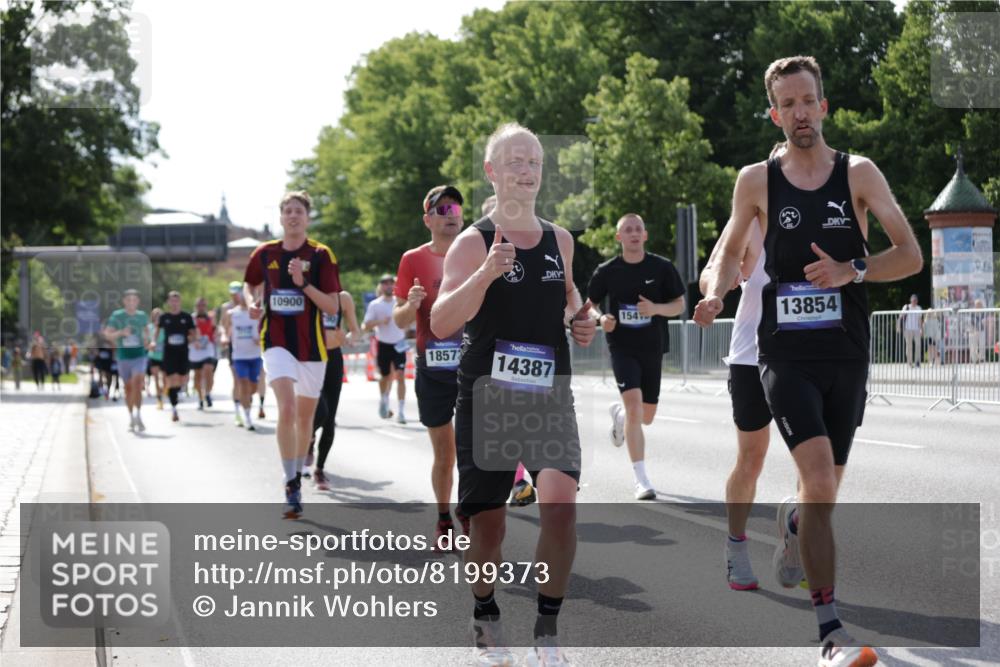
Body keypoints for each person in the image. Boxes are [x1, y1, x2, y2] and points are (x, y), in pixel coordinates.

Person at [694, 56, 922, 667]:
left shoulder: (860, 174)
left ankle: (795, 523)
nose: (799, 111)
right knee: (818, 479)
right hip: (783, 355)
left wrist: (856, 269)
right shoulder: (756, 181)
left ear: (824, 106)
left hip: (845, 355)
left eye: (808, 100)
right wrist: (715, 291)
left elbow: (911, 254)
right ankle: (830, 632)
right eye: (787, 103)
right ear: (775, 113)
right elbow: (728, 248)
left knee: (824, 494)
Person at [431, 122, 598, 666]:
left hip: (549, 394)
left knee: (561, 506)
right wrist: (483, 276)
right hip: (489, 400)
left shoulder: (561, 240)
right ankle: (484, 608)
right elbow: (439, 322)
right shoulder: (473, 241)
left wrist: (581, 321)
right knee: (489, 527)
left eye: (534, 162)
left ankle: (547, 631)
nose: (527, 171)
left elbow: (572, 301)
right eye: (515, 163)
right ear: (492, 172)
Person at [243, 190, 341, 519]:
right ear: (281, 217)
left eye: (299, 211)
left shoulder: (321, 254)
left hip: (312, 346)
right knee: (285, 408)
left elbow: (332, 304)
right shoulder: (264, 253)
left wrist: (302, 284)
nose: (293, 216)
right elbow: (250, 284)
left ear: (307, 217)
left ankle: (297, 472)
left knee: (305, 419)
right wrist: (252, 302)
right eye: (288, 211)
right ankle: (290, 483)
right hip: (276, 341)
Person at [587, 213, 686, 500]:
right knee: (634, 408)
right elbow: (589, 304)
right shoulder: (607, 271)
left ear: (644, 236)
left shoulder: (662, 267)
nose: (633, 233)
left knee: (647, 416)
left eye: (637, 229)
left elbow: (679, 304)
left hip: (652, 347)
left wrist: (655, 308)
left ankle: (619, 416)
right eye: (627, 230)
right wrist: (600, 318)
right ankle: (641, 479)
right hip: (621, 347)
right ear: (619, 237)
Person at [394, 184, 471, 549]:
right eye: (441, 210)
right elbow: (398, 320)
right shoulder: (413, 259)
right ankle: (444, 517)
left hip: (473, 363)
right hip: (434, 365)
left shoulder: (476, 252)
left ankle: (470, 511)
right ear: (427, 220)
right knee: (446, 452)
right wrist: (411, 305)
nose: (450, 215)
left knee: (477, 446)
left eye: (454, 208)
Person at [701, 215, 776, 591]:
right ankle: (736, 543)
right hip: (751, 357)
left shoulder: (821, 210)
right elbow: (710, 272)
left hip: (806, 356)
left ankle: (800, 530)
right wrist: (716, 292)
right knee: (752, 458)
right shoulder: (748, 220)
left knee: (817, 458)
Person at [483, 193, 537, 508]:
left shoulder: (532, 252)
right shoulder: (472, 253)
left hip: (524, 356)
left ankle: (537, 477)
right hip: (481, 358)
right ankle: (515, 482)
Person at [308, 290, 361, 489]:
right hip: (311, 358)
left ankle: (319, 470)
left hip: (333, 359)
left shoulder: (343, 298)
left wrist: (347, 338)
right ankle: (308, 438)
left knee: (330, 419)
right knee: (320, 411)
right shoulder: (308, 292)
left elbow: (355, 331)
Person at [363, 274, 408, 423]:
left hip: (399, 343)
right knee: (385, 376)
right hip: (383, 344)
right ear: (381, 286)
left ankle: (401, 412)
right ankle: (384, 400)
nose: (389, 286)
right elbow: (365, 326)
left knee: (400, 375)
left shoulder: (400, 302)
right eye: (385, 283)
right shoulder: (375, 304)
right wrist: (380, 321)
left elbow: (410, 318)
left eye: (391, 283)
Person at [104, 289, 151, 431]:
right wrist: (121, 333)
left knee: (137, 384)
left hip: (139, 355)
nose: (131, 302)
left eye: (134, 300)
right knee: (128, 388)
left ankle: (138, 414)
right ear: (124, 301)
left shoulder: (142, 316)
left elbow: (147, 333)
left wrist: (147, 339)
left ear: (138, 302)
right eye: (128, 300)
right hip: (123, 357)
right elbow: (107, 335)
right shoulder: (117, 316)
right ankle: (131, 416)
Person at [156, 291, 197, 423]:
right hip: (169, 353)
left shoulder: (186, 317)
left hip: (183, 352)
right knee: (172, 379)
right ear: (168, 302)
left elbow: (193, 333)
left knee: (182, 378)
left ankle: (178, 392)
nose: (174, 303)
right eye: (172, 301)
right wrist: (153, 342)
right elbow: (157, 332)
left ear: (180, 302)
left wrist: (193, 340)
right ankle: (174, 408)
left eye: (176, 301)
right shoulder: (164, 317)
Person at [225, 294, 263, 431]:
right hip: (239, 356)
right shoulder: (232, 313)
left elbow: (265, 330)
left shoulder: (258, 313)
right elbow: (225, 329)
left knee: (253, 387)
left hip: (255, 355)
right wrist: (224, 337)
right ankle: (247, 417)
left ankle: (246, 400)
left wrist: (260, 340)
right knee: (243, 383)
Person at [218, 281, 246, 425]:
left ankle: (246, 405)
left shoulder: (249, 305)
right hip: (233, 346)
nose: (235, 295)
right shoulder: (226, 308)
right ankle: (238, 412)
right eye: (233, 293)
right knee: (237, 379)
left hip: (249, 348)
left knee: (248, 382)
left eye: (238, 292)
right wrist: (224, 336)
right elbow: (222, 326)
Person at [189, 297, 218, 409]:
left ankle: (208, 393)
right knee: (197, 376)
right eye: (199, 305)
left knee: (208, 369)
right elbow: (188, 332)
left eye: (203, 305)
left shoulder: (210, 318)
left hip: (208, 348)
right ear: (196, 306)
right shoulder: (191, 318)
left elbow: (215, 331)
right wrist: (194, 340)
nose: (201, 308)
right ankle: (200, 398)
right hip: (195, 350)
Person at [146, 308, 165, 408]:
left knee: (165, 380)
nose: (157, 316)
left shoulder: (165, 327)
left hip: (164, 357)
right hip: (153, 356)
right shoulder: (149, 327)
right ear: (152, 316)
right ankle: (159, 399)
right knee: (156, 378)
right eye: (155, 314)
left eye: (159, 314)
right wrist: (150, 345)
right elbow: (146, 341)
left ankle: (162, 392)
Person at [899, 294, 922, 367]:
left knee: (918, 345)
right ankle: (909, 362)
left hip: (916, 329)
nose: (914, 301)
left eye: (916, 300)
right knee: (909, 346)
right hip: (907, 329)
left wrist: (921, 329)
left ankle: (917, 362)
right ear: (911, 300)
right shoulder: (906, 307)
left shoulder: (919, 308)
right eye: (913, 300)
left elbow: (920, 320)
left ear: (917, 301)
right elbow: (901, 316)